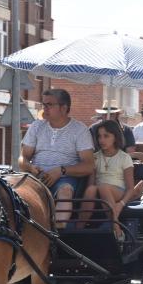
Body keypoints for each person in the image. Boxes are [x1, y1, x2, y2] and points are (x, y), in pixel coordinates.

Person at [19, 88, 94, 225]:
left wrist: (61, 171)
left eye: (49, 105)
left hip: (65, 179)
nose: (45, 108)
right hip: (36, 177)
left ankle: (57, 232)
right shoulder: (36, 126)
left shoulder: (80, 130)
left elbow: (89, 166)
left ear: (64, 108)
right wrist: (30, 167)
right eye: (44, 104)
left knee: (65, 192)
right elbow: (22, 158)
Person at [80, 120, 136, 240]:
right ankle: (79, 228)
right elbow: (91, 182)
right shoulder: (95, 157)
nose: (102, 140)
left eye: (106, 136)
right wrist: (90, 191)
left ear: (115, 137)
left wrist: (121, 204)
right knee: (91, 189)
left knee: (104, 187)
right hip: (100, 191)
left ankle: (117, 230)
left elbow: (131, 188)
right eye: (99, 136)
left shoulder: (124, 158)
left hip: (118, 191)